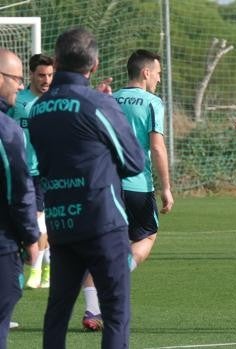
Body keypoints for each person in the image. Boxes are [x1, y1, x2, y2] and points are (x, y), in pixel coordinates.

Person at [28, 27, 144, 348]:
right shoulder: (97, 104)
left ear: (56, 61)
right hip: (101, 220)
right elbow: (134, 161)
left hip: (61, 220)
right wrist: (111, 110)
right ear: (94, 65)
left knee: (58, 311)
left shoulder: (37, 109)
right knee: (115, 311)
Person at [80, 49, 174, 331]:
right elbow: (156, 146)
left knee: (99, 246)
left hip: (104, 183)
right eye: (158, 73)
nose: (158, 79)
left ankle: (91, 310)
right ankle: (115, 278)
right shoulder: (152, 102)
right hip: (136, 185)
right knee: (147, 236)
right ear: (145, 73)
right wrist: (166, 187)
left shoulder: (108, 98)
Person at [0, 48, 40, 349]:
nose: (20, 85)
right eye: (16, 78)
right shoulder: (6, 129)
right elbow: (18, 190)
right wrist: (30, 238)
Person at [8, 53, 54, 289]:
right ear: (31, 75)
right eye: (41, 75)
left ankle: (36, 268)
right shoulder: (18, 101)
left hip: (42, 172)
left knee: (39, 220)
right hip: (17, 170)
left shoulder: (55, 101)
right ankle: (46, 267)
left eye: (49, 75)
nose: (46, 80)